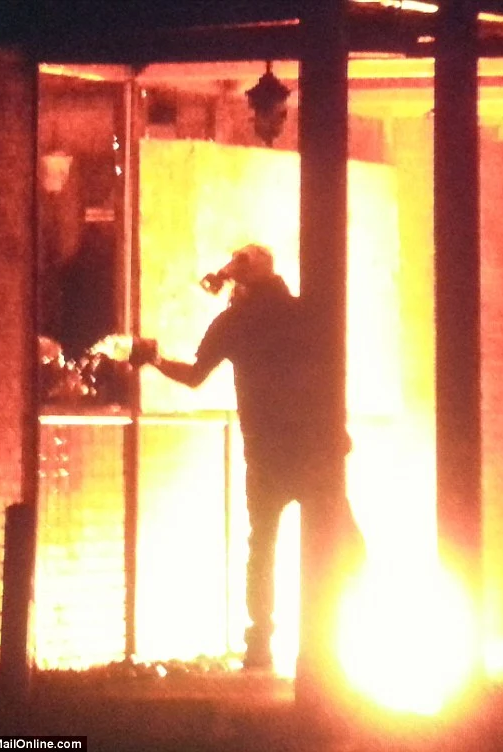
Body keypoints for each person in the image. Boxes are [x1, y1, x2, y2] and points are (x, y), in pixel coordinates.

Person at [129, 244, 362, 671]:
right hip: (314, 449)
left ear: (242, 282)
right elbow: (330, 372)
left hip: (267, 452)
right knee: (344, 544)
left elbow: (195, 375)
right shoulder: (302, 313)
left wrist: (154, 359)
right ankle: (335, 635)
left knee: (263, 548)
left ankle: (260, 647)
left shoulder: (234, 323)